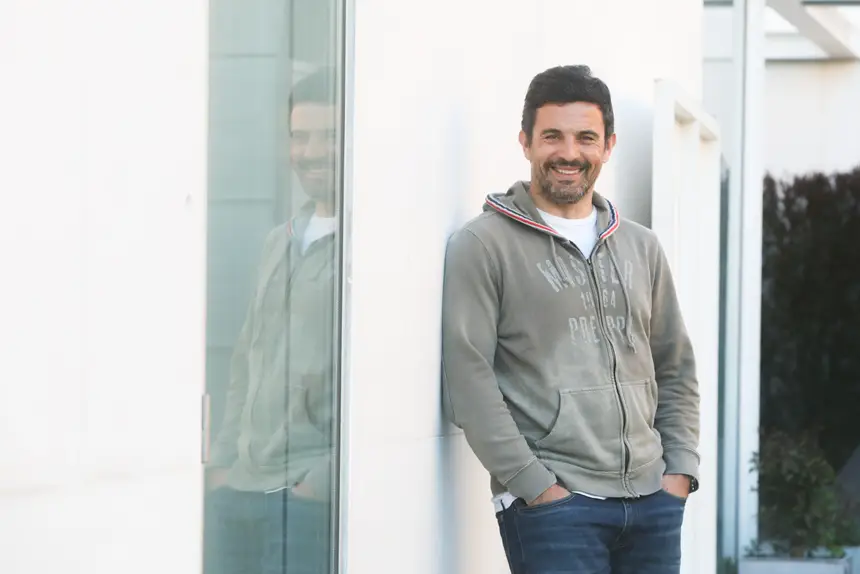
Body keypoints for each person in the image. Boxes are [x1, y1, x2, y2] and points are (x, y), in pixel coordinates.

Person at [441, 65, 700, 574]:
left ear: (608, 145)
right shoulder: (483, 245)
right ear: (525, 141)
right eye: (551, 136)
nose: (568, 153)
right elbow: (468, 380)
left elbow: (675, 365)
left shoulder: (641, 246)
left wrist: (680, 472)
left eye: (585, 137)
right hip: (556, 507)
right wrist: (535, 486)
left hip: (654, 500)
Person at [203, 67, 339, 574]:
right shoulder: (280, 239)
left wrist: (319, 482)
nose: (311, 151)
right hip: (240, 487)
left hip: (306, 497)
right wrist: (222, 464)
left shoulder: (367, 249)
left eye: (329, 137)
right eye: (299, 136)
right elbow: (246, 357)